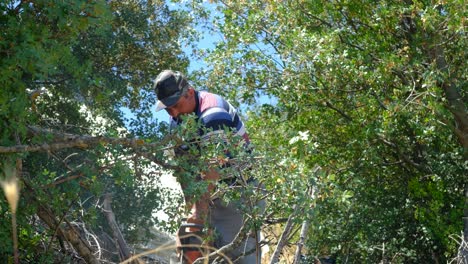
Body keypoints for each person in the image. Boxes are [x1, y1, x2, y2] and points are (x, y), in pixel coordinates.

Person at [153, 70, 262, 264]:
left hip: (239, 193)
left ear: (190, 92)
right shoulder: (177, 122)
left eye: (176, 105)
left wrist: (197, 218)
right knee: (197, 250)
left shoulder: (213, 115)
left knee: (237, 256)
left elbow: (212, 170)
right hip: (210, 193)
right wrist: (190, 215)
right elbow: (185, 171)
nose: (174, 113)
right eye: (168, 109)